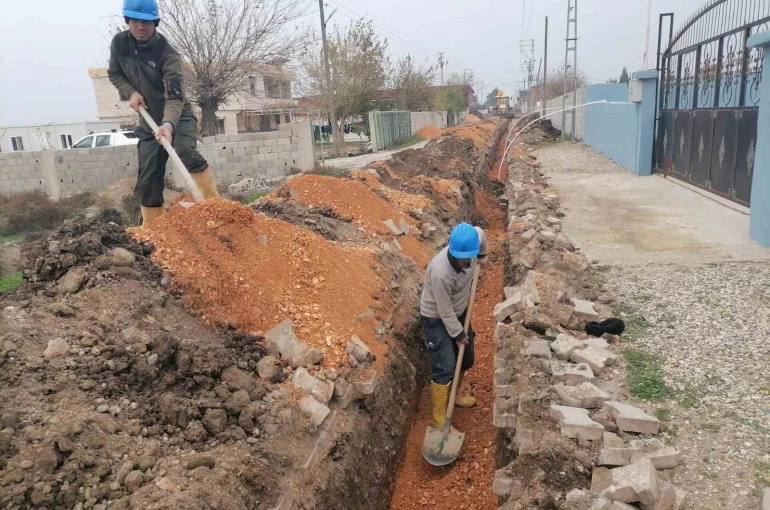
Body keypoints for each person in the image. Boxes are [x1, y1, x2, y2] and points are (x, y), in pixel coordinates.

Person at [108, 0, 219, 226]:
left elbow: (175, 97)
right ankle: (154, 229)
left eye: (147, 22)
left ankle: (216, 211)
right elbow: (114, 74)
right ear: (128, 20)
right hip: (148, 122)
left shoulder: (168, 55)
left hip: (179, 117)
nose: (141, 26)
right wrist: (131, 92)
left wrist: (168, 125)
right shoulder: (119, 44)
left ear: (155, 22)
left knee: (185, 151)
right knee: (148, 178)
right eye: (136, 20)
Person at [419, 222, 487, 431]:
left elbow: (482, 235)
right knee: (444, 366)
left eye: (468, 257)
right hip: (436, 316)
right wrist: (458, 334)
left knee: (466, 358)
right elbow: (444, 309)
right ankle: (440, 419)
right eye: (460, 257)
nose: (464, 261)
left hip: (459, 310)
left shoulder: (475, 238)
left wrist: (482, 256)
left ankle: (454, 396)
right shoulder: (441, 272)